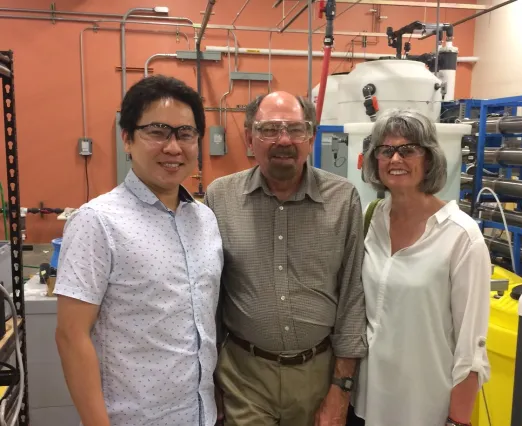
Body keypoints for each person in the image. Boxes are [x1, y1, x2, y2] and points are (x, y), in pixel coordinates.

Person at [54, 75, 223, 426]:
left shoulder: (205, 220)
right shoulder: (97, 222)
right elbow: (71, 336)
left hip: (201, 415)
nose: (174, 147)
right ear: (127, 139)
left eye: (185, 134)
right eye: (158, 132)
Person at [204, 91, 367, 426]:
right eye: (269, 129)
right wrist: (210, 381)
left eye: (295, 129)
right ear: (249, 137)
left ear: (311, 137)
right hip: (244, 377)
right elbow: (209, 295)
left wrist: (342, 388)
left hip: (318, 378)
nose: (283, 140)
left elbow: (353, 296)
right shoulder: (220, 198)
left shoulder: (343, 199)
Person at [347, 109, 491, 426]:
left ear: (429, 159)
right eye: (386, 150)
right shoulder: (374, 220)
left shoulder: (461, 237)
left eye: (408, 149)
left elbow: (471, 350)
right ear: (375, 160)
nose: (396, 159)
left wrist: (458, 420)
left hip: (424, 409)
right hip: (366, 404)